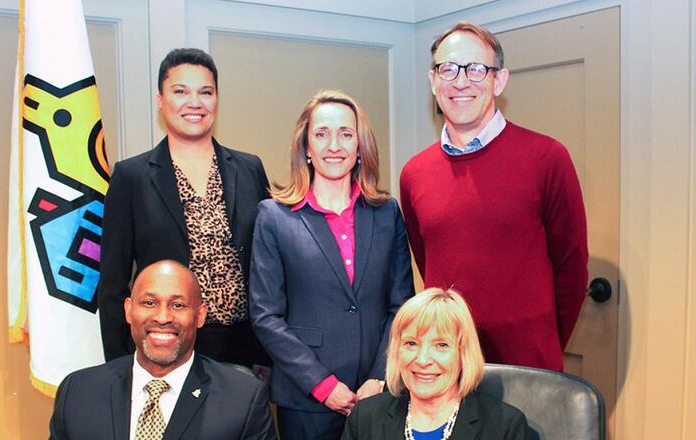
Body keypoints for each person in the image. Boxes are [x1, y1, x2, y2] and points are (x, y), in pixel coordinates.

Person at [399, 21, 588, 371]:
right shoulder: (414, 174)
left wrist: (540, 340)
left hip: (528, 366)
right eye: (448, 69)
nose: (460, 82)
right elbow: (429, 265)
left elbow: (572, 268)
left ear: (499, 80)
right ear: (433, 81)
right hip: (447, 367)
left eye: (475, 69)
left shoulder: (547, 158)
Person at [249, 89, 415, 440]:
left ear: (359, 147)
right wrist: (323, 385)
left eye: (345, 134)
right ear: (306, 147)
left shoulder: (387, 212)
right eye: (322, 134)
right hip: (307, 399)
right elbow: (266, 315)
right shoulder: (275, 216)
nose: (334, 145)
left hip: (378, 394)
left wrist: (380, 377)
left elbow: (401, 306)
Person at [98, 48, 271, 371]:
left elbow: (271, 264)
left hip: (247, 349)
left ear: (216, 100)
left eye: (205, 92)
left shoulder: (249, 169)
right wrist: (121, 368)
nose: (195, 103)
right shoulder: (131, 177)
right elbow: (112, 284)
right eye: (181, 91)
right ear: (161, 100)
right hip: (168, 346)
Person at [50, 260, 276, 440]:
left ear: (200, 316)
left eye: (178, 305)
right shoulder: (78, 392)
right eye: (149, 303)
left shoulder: (243, 400)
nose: (163, 317)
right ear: (129, 311)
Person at [342, 288, 529, 439]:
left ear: (463, 354)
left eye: (441, 345)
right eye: (411, 343)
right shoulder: (364, 418)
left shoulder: (505, 427)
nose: (423, 360)